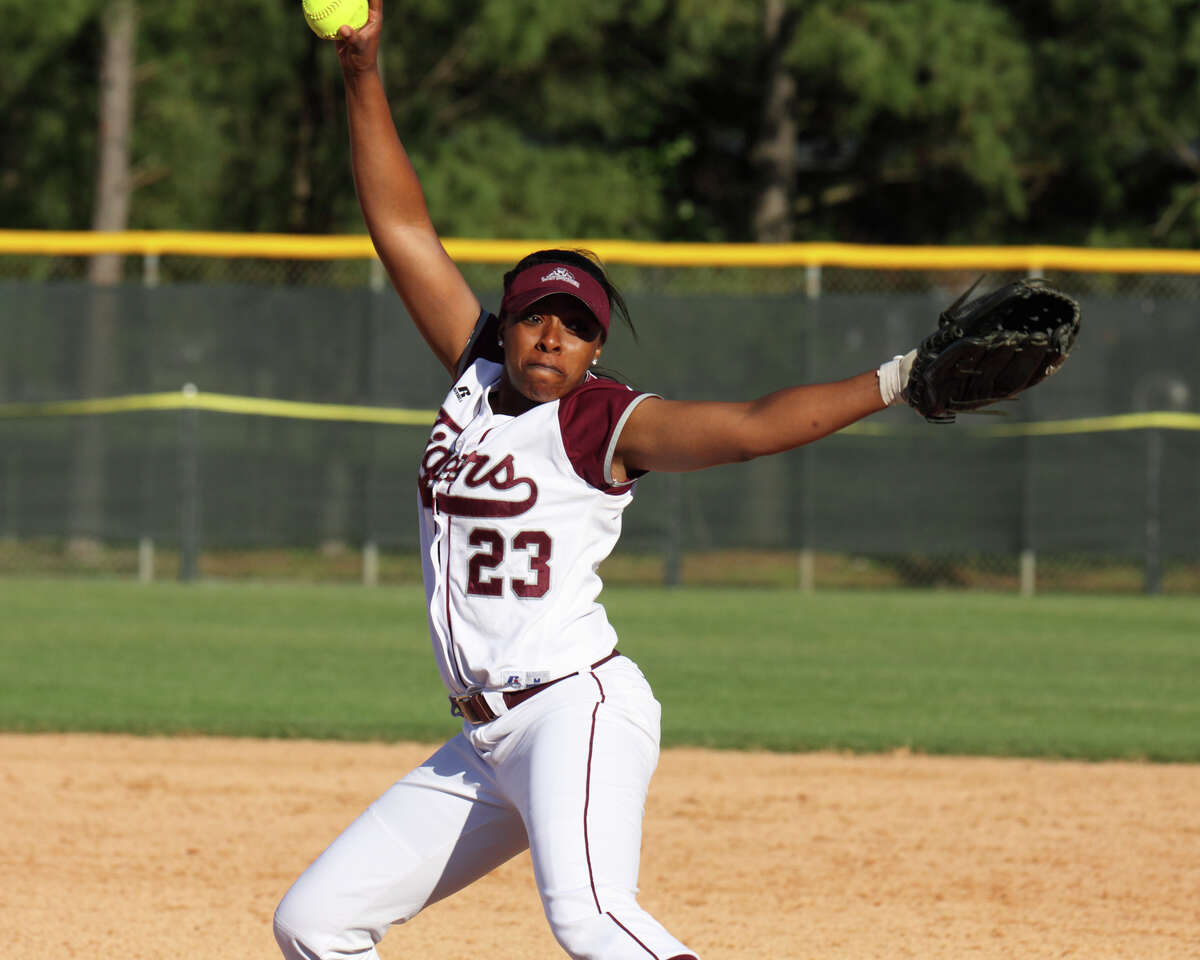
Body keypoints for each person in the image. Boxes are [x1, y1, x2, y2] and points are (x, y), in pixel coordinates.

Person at [273, 3, 915, 958]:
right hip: (483, 743)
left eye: (574, 325)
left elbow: (745, 430)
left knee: (591, 917)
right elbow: (402, 226)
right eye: (535, 316)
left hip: (573, 708)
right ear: (507, 321)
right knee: (316, 921)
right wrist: (362, 72)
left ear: (596, 345)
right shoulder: (476, 379)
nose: (551, 336)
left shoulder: (601, 420)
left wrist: (895, 382)